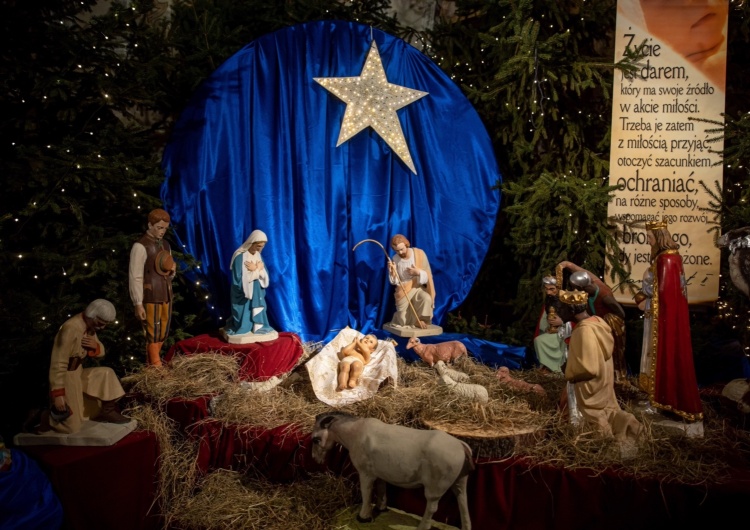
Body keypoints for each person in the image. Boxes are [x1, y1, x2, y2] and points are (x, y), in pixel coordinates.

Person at [634, 221, 703, 422]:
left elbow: (662, 293)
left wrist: (643, 299)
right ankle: (657, 398)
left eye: (649, 237)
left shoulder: (666, 260)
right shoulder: (669, 258)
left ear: (658, 236)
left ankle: (660, 400)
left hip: (660, 320)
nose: (648, 241)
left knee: (658, 355)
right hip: (657, 317)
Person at [558, 290, 644, 444]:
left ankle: (604, 444)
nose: (559, 312)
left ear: (571, 309)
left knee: (594, 414)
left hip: (590, 383)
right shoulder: (598, 322)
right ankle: (632, 428)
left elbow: (588, 367)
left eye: (562, 308)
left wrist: (569, 370)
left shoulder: (583, 330)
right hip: (605, 377)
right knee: (610, 410)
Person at [45, 299, 129, 434]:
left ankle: (108, 410)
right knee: (70, 427)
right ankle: (44, 417)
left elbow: (101, 350)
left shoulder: (89, 327)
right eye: (101, 323)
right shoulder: (70, 328)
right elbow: (58, 363)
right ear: (92, 316)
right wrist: (58, 394)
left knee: (106, 372)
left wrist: (95, 347)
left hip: (79, 372)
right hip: (66, 377)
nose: (102, 328)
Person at [558, 261, 628, 382]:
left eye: (576, 289)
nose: (575, 292)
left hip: (610, 327)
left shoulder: (604, 295)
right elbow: (583, 272)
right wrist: (568, 266)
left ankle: (616, 378)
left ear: (581, 288)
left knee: (613, 353)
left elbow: (620, 313)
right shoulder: (590, 284)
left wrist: (604, 322)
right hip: (596, 324)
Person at [129, 208, 175, 367]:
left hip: (166, 293)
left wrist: (171, 270)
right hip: (150, 295)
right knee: (152, 332)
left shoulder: (166, 245)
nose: (162, 231)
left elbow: (167, 270)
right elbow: (135, 276)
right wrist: (137, 303)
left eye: (165, 228)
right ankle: (156, 365)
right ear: (150, 225)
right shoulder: (141, 246)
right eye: (159, 228)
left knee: (163, 331)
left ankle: (151, 365)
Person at [224, 229, 277, 340]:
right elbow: (238, 280)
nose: (260, 249)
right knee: (244, 313)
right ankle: (244, 327)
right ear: (251, 243)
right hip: (243, 293)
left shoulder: (258, 255)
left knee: (258, 309)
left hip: (257, 291)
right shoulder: (240, 257)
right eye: (258, 246)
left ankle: (258, 327)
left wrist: (257, 270)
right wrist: (257, 271)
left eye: (262, 246)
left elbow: (265, 274)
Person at [387, 234, 435, 329]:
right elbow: (395, 282)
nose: (400, 252)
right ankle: (404, 320)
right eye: (397, 250)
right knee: (403, 321)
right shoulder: (395, 259)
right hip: (403, 290)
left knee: (426, 298)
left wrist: (418, 272)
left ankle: (420, 320)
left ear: (406, 245)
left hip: (417, 287)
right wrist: (392, 271)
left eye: (402, 249)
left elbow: (428, 275)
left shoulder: (419, 254)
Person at [533, 276, 566, 373]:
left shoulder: (566, 301)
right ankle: (548, 367)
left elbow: (575, 319)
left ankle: (558, 369)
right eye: (546, 289)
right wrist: (547, 327)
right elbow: (544, 319)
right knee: (539, 340)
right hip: (553, 332)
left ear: (558, 288)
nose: (549, 293)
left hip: (566, 332)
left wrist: (562, 322)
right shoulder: (548, 301)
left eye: (552, 289)